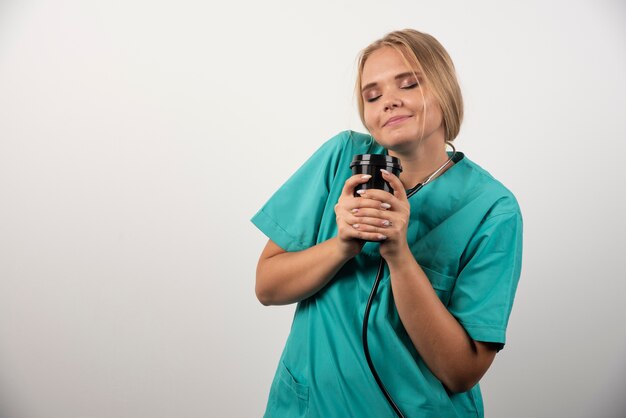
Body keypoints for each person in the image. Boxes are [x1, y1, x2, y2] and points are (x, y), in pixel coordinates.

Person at [251, 29, 523, 418]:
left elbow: (462, 371)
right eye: (372, 95)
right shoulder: (342, 156)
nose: (388, 101)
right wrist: (343, 244)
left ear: (445, 90)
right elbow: (267, 286)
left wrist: (398, 255)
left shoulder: (492, 209)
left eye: (409, 84)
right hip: (309, 406)